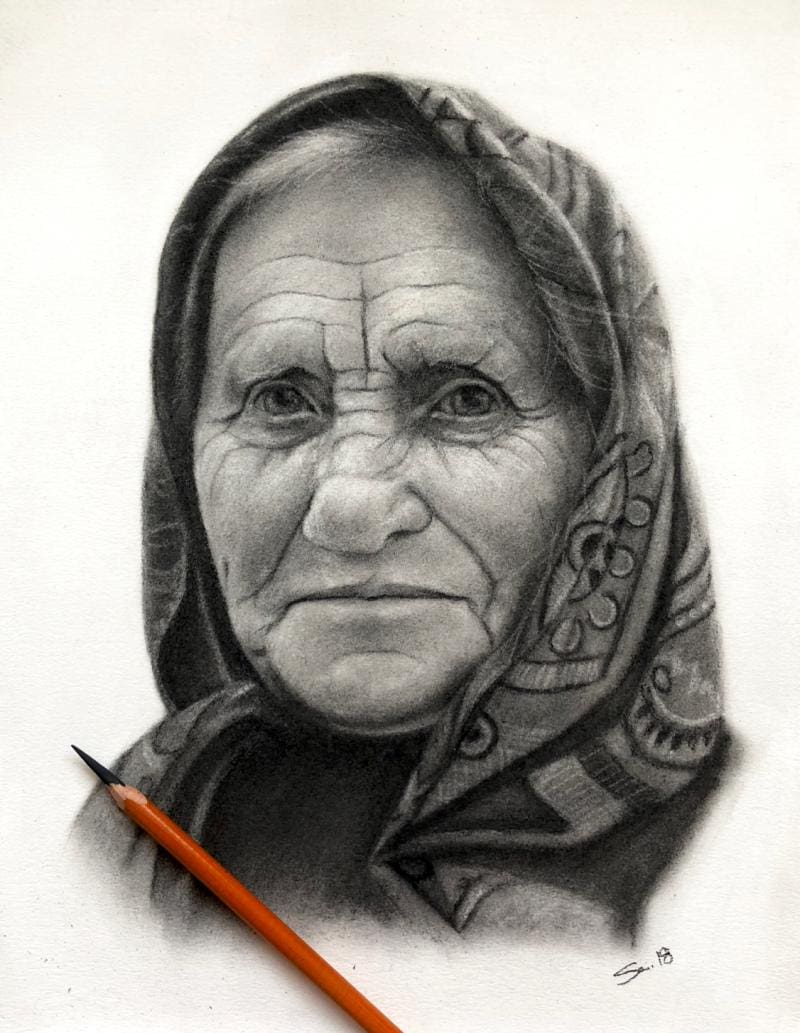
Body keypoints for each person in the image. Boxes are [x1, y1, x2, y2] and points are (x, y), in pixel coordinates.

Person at [77, 73, 728, 941]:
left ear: (612, 455)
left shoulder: (744, 855)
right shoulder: (133, 834)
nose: (351, 508)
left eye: (465, 399)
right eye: (280, 399)